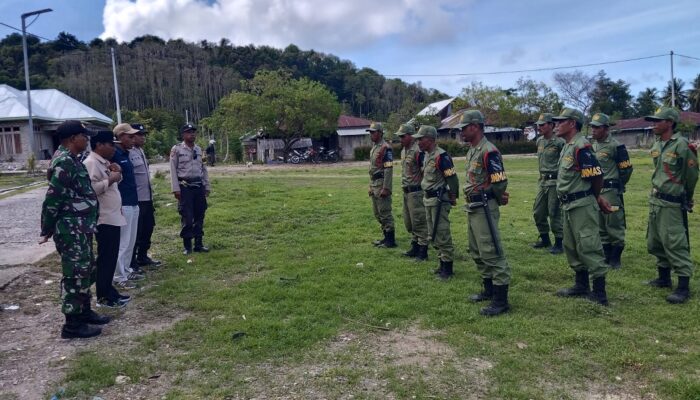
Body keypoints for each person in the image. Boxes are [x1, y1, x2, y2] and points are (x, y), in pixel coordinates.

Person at [40, 120, 109, 338]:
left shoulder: (73, 160)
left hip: (81, 227)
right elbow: (53, 199)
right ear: (72, 139)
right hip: (70, 229)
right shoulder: (64, 162)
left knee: (86, 270)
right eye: (83, 136)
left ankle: (84, 311)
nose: (87, 139)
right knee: (75, 274)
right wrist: (47, 228)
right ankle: (72, 325)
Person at [552, 108, 612, 306]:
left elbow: (596, 176)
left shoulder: (582, 146)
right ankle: (581, 284)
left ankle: (599, 292)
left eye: (561, 121)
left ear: (572, 123)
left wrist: (595, 197)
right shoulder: (568, 146)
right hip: (568, 204)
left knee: (589, 245)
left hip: (582, 204)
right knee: (571, 245)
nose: (557, 125)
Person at [456, 110, 512, 316]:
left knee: (491, 251)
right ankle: (488, 290)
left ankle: (501, 300)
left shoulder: (489, 150)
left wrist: (493, 197)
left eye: (464, 128)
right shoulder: (473, 150)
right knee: (476, 250)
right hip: (473, 207)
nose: (461, 132)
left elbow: (499, 180)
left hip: (485, 207)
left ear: (476, 127)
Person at [644, 106, 698, 303]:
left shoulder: (683, 145)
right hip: (656, 201)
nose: (654, 124)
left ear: (669, 122)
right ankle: (663, 278)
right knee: (655, 241)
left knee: (675, 243)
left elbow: (691, 176)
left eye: (658, 121)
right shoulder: (658, 144)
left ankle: (683, 286)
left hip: (672, 203)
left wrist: (687, 197)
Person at [83, 130, 131, 308]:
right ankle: (103, 296)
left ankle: (109, 291)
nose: (113, 148)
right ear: (99, 145)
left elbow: (113, 180)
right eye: (110, 144)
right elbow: (91, 190)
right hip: (104, 218)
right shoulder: (91, 163)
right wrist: (111, 179)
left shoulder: (104, 162)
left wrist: (116, 173)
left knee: (110, 258)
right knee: (106, 258)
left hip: (113, 215)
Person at [414, 125, 459, 280]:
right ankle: (441, 263)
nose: (418, 142)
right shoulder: (427, 156)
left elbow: (452, 179)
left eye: (421, 139)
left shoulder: (442, 156)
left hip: (439, 200)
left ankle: (447, 268)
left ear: (431, 139)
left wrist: (453, 196)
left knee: (442, 232)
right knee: (433, 233)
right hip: (428, 199)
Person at [590, 113, 633, 269]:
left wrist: (617, 184)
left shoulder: (616, 146)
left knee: (614, 223)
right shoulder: (592, 146)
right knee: (600, 224)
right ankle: (606, 255)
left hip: (610, 190)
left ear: (606, 129)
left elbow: (626, 170)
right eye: (592, 126)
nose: (593, 130)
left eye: (597, 127)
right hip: (596, 190)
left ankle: (615, 259)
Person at [170, 123, 211, 254]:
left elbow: (204, 169)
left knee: (200, 215)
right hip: (184, 186)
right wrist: (175, 188)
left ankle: (198, 244)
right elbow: (172, 170)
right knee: (187, 217)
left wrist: (207, 185)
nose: (191, 134)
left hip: (198, 186)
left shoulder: (199, 150)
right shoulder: (177, 150)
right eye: (188, 132)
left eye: (193, 132)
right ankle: (187, 246)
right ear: (183, 135)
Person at [112, 123, 144, 288]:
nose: (133, 140)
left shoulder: (126, 153)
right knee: (123, 241)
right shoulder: (114, 153)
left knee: (131, 240)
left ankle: (126, 269)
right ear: (121, 136)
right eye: (130, 136)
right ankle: (119, 276)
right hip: (122, 203)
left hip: (133, 201)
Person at [129, 123, 162, 268]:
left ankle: (143, 256)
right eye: (139, 135)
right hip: (137, 199)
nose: (143, 138)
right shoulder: (128, 152)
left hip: (147, 197)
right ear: (131, 136)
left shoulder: (140, 151)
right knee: (137, 231)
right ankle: (132, 260)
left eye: (143, 135)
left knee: (148, 227)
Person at [531, 113, 565, 254]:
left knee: (554, 212)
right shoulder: (539, 141)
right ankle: (545, 239)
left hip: (554, 181)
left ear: (551, 125)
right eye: (538, 125)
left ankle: (559, 242)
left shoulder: (559, 142)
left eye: (543, 124)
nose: (540, 127)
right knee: (538, 211)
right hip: (543, 181)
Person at [396, 123, 429, 261]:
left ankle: (422, 251)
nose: (400, 139)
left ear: (410, 136)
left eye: (403, 136)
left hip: (416, 191)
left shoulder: (418, 151)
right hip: (406, 191)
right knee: (409, 222)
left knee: (419, 221)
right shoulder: (404, 151)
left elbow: (425, 171)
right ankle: (414, 246)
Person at [367, 122, 396, 248]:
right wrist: (370, 185)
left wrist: (386, 187)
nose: (371, 135)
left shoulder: (385, 147)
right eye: (370, 132)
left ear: (379, 133)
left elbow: (388, 169)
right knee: (377, 213)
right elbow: (372, 168)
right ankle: (385, 237)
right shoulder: (374, 147)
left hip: (381, 183)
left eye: (373, 132)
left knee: (385, 212)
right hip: (374, 183)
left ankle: (390, 240)